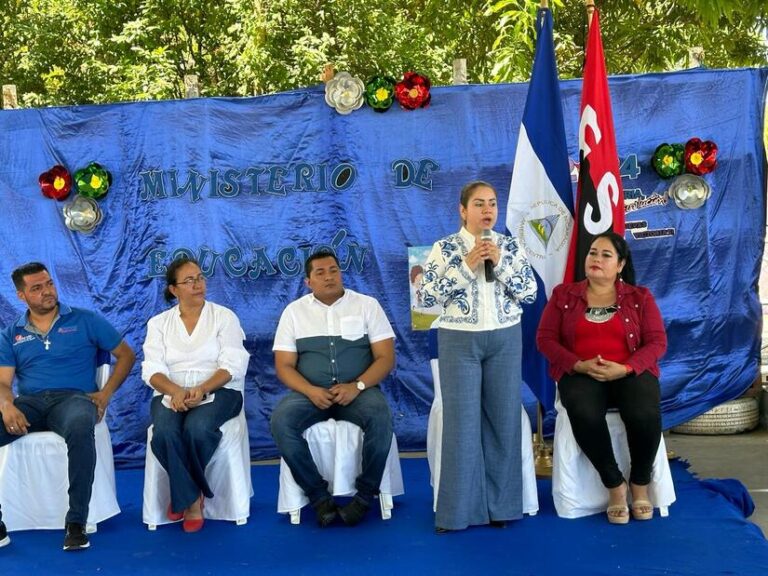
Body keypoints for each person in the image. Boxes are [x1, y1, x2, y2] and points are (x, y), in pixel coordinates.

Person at [420, 180, 537, 533]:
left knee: (504, 422)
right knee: (461, 425)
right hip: (459, 340)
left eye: (492, 203)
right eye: (479, 204)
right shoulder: (444, 248)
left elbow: (530, 292)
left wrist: (501, 264)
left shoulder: (509, 246)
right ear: (462, 210)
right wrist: (464, 267)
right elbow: (425, 299)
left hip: (504, 338)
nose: (487, 210)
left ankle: (502, 507)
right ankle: (457, 514)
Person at [0, 262, 135, 551]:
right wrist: (6, 405)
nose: (47, 291)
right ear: (21, 296)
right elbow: (3, 383)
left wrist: (106, 393)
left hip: (75, 399)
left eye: (48, 283)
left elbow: (126, 355)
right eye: (36, 288)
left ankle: (76, 523)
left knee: (79, 426)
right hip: (30, 404)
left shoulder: (85, 320)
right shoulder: (11, 334)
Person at [536, 231, 667, 524]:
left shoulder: (640, 297)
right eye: (593, 252)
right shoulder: (563, 295)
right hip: (581, 372)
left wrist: (626, 368)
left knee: (644, 412)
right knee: (582, 410)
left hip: (629, 371)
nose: (596, 259)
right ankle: (615, 486)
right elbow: (545, 339)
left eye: (606, 255)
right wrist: (578, 365)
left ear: (620, 265)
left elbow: (657, 342)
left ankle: (640, 483)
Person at [270, 250, 395, 527]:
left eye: (333, 270)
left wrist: (358, 385)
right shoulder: (294, 312)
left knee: (380, 417)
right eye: (320, 273)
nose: (329, 277)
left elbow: (386, 357)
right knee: (281, 421)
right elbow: (284, 366)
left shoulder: (367, 305)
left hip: (359, 392)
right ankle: (318, 497)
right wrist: (310, 391)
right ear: (308, 281)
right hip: (310, 394)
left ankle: (364, 497)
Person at [142, 257, 249, 533]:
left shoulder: (224, 317)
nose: (197, 284)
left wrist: (202, 389)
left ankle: (187, 501)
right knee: (164, 431)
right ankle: (191, 494)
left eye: (200, 278)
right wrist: (175, 391)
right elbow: (151, 368)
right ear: (174, 289)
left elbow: (233, 364)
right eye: (189, 281)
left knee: (197, 428)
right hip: (171, 391)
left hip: (219, 390)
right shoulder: (159, 323)